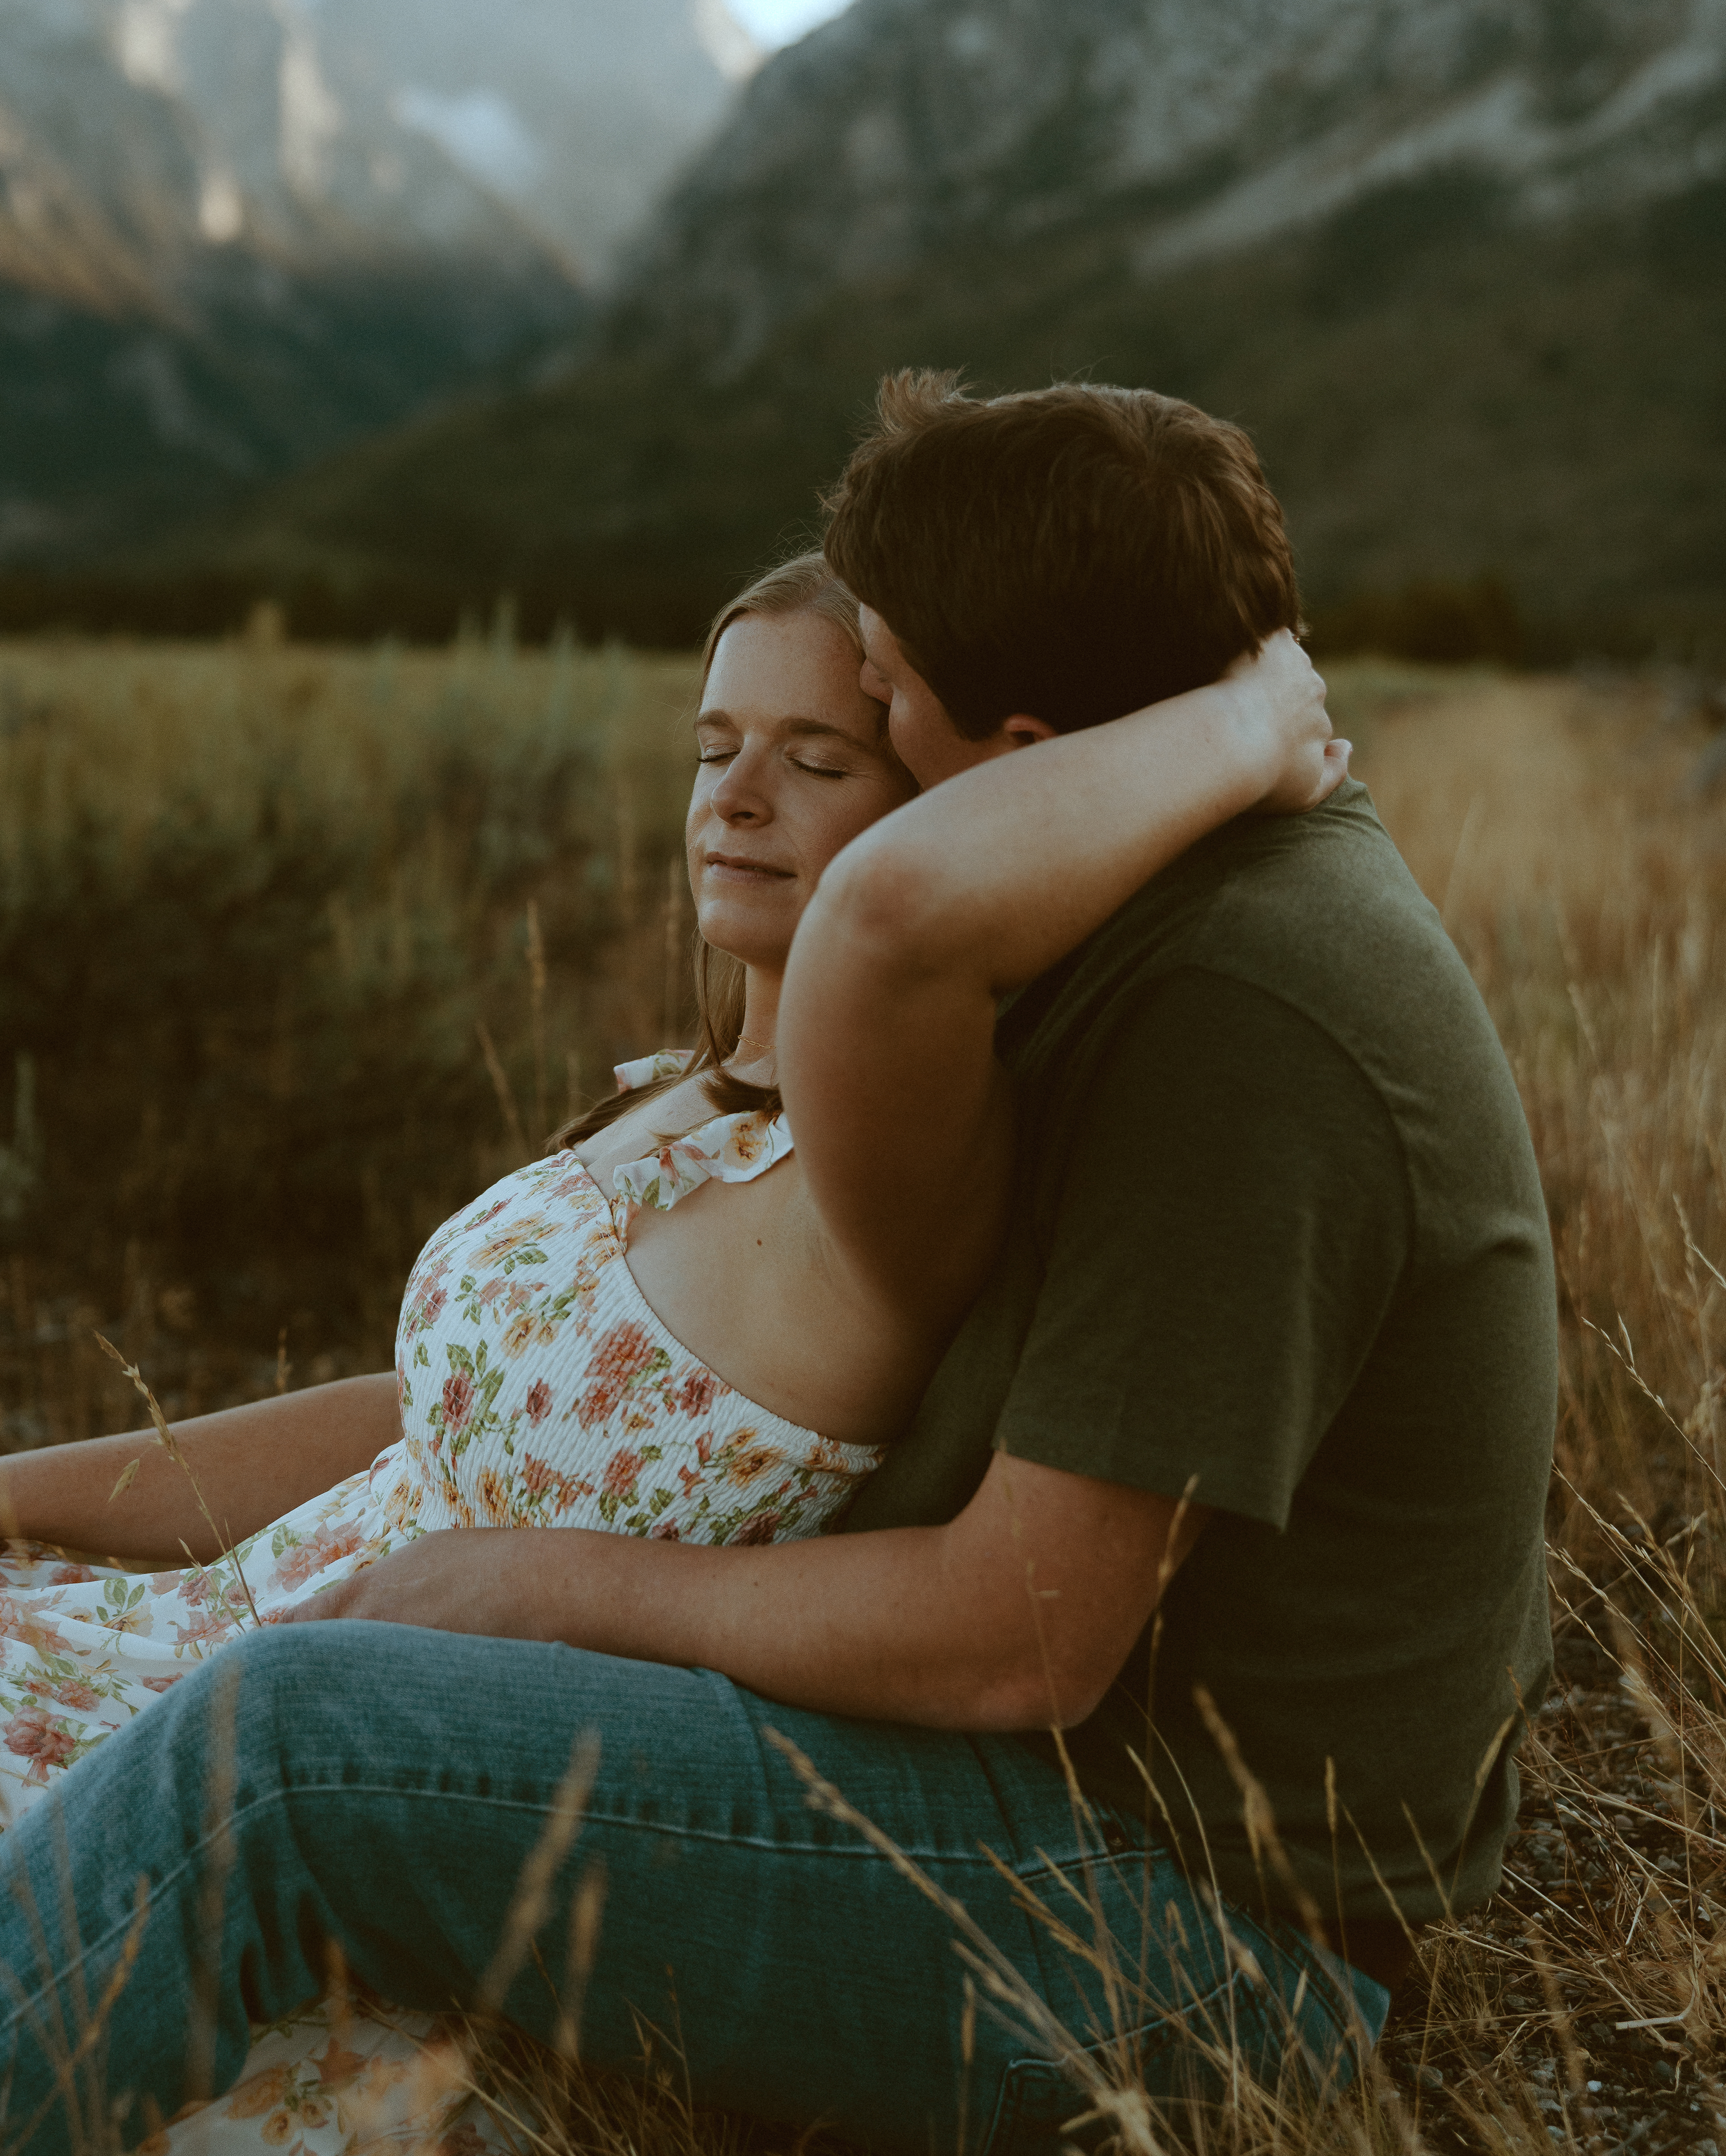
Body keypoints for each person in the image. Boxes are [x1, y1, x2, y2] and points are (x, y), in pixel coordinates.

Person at [0, 378, 1556, 2156]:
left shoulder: (1243, 1006)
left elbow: (1027, 1641)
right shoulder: (1145, 926)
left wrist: (1247, 713)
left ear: (1021, 749)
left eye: (868, 711)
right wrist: (1236, 714)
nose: (792, 768)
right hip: (1030, 1802)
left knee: (285, 1752)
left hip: (1176, 1925)